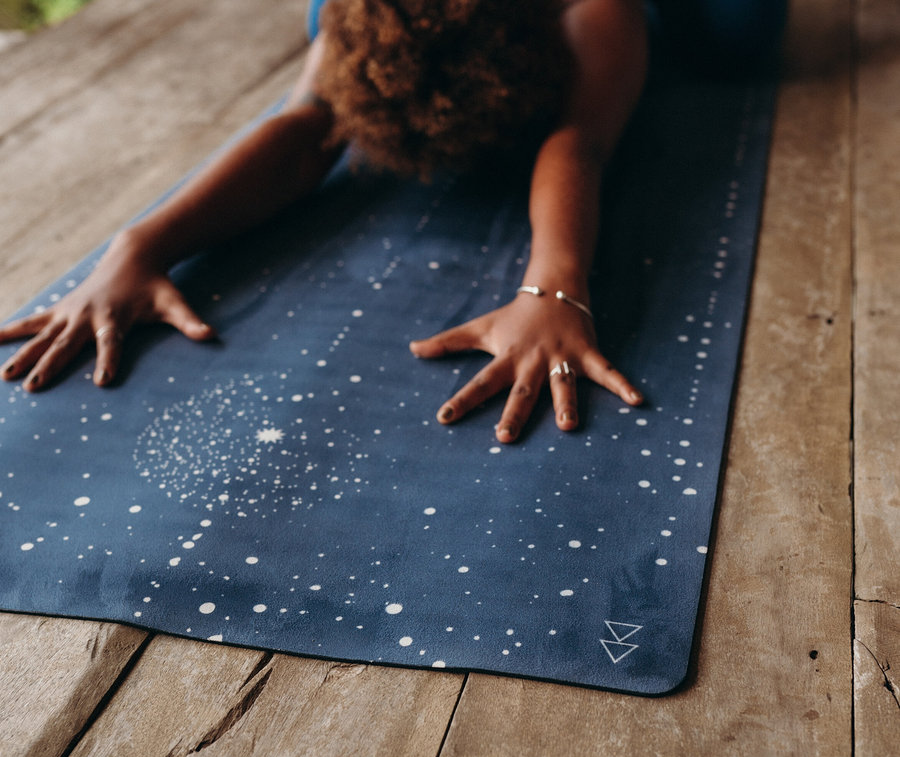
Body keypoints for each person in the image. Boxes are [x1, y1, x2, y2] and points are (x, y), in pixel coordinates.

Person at [0, 0, 784, 442]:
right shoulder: (350, 14)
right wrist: (140, 245)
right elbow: (306, 129)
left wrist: (553, 290)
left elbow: (577, 141)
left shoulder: (595, 16)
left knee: (740, 37)